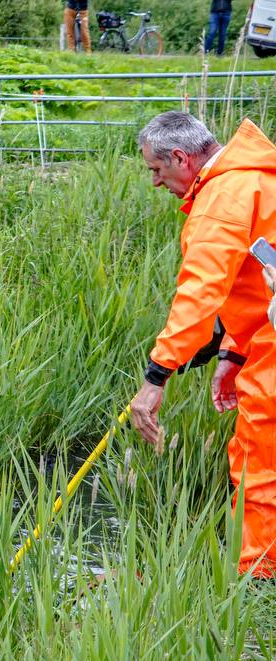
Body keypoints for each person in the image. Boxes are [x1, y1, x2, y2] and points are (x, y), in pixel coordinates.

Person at [130, 111, 276, 578]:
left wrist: (156, 378)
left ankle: (257, 574)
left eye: (156, 169)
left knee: (259, 453)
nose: (156, 182)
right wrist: (234, 351)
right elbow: (258, 278)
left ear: (180, 158)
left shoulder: (223, 196)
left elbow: (200, 293)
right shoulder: (254, 178)